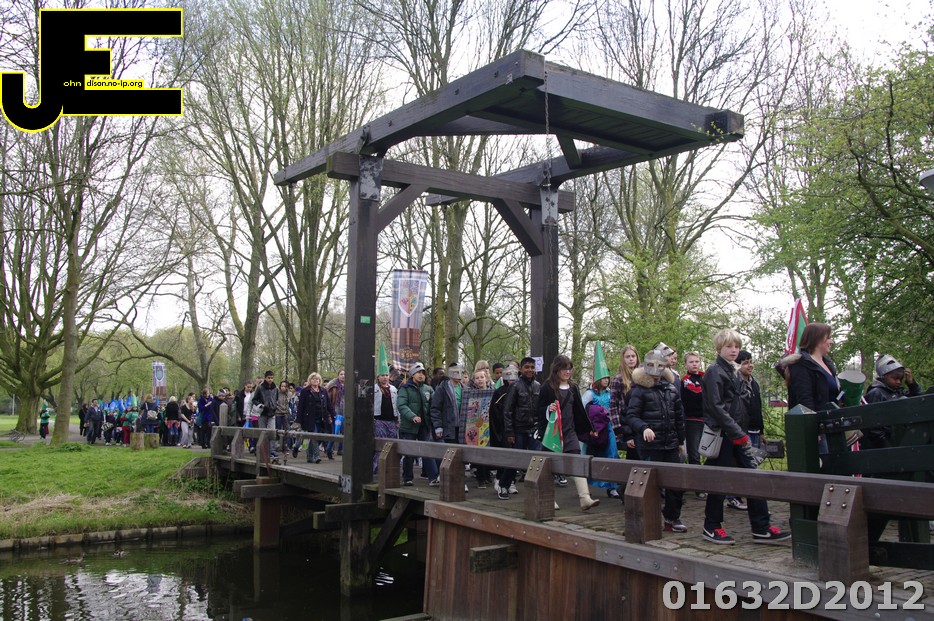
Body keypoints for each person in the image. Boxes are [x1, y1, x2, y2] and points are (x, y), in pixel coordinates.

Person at [701, 328, 790, 545]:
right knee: (719, 482)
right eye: (729, 346)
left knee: (754, 478)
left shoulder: (733, 371)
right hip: (724, 436)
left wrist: (745, 431)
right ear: (719, 348)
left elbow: (741, 405)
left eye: (737, 346)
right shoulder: (714, 371)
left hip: (738, 435)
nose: (734, 350)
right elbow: (716, 407)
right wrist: (737, 433)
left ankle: (761, 527)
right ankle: (711, 526)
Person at [626, 350, 687, 531]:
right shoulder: (639, 390)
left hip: (670, 443)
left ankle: (672, 518)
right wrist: (644, 428)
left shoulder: (671, 389)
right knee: (650, 485)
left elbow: (679, 417)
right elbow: (631, 416)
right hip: (650, 445)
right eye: (652, 364)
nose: (656, 369)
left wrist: (681, 441)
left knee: (676, 483)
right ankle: (646, 521)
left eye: (660, 365)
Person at [536, 354, 601, 511]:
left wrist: (590, 428)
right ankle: (549, 498)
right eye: (564, 369)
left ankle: (585, 498)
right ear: (556, 369)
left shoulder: (573, 387)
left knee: (576, 460)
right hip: (553, 433)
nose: (567, 372)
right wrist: (548, 409)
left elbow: (579, 410)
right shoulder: (547, 387)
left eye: (570, 369)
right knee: (550, 464)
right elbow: (538, 409)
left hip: (570, 431)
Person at [784, 322, 840, 454]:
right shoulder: (801, 364)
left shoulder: (827, 363)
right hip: (818, 427)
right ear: (818, 339)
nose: (831, 341)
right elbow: (805, 398)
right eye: (828, 337)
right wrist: (813, 428)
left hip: (832, 424)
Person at [581, 342, 622, 501]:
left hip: (609, 428)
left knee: (612, 454)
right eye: (603, 378)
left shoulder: (610, 393)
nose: (606, 380)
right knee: (589, 455)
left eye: (607, 378)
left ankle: (612, 486)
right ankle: (585, 486)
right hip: (595, 430)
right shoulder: (590, 394)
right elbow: (582, 409)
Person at [497, 357, 541, 499]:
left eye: (532, 367)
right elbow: (507, 411)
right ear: (521, 369)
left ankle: (537, 489)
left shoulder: (538, 386)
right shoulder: (515, 386)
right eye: (527, 367)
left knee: (538, 460)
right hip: (518, 429)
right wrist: (510, 432)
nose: (530, 370)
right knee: (515, 460)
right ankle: (504, 484)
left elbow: (540, 408)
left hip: (533, 429)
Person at [863, 354, 922, 448]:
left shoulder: (898, 392)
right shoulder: (876, 393)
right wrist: (888, 448)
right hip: (884, 446)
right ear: (884, 376)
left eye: (901, 379)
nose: (899, 382)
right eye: (895, 378)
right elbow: (873, 427)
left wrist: (911, 384)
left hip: (900, 442)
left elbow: (920, 403)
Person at [397, 362, 438, 486]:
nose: (421, 375)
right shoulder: (405, 389)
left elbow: (434, 406)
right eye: (418, 372)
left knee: (427, 451)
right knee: (409, 452)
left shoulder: (428, 389)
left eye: (423, 373)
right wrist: (412, 416)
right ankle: (407, 477)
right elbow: (401, 405)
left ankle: (433, 477)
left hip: (424, 426)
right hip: (409, 426)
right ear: (412, 374)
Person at [609, 344, 641, 461]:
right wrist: (619, 431)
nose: (631, 359)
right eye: (628, 357)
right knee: (634, 461)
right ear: (623, 359)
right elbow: (613, 407)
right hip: (628, 426)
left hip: (643, 424)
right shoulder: (618, 379)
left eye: (633, 356)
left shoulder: (644, 376)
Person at [295, 372, 334, 463]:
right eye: (313, 379)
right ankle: (317, 456)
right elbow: (301, 406)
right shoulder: (305, 391)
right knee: (314, 436)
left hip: (321, 418)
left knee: (315, 437)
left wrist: (334, 414)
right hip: (309, 418)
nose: (315, 380)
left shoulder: (323, 390)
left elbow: (328, 404)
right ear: (310, 380)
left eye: (317, 379)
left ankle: (309, 456)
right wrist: (298, 420)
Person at [373, 357, 400, 474]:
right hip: (379, 420)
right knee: (381, 444)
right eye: (382, 375)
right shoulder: (374, 389)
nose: (385, 377)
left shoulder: (393, 389)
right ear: (378, 377)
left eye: (386, 375)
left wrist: (398, 419)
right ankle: (377, 467)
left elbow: (397, 405)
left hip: (391, 421)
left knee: (391, 444)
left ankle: (389, 467)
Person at [681, 351, 705, 469]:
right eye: (691, 362)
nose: (694, 364)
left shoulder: (705, 377)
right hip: (692, 420)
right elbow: (697, 394)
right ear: (686, 364)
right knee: (694, 453)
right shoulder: (686, 380)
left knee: (712, 451)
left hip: (708, 420)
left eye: (696, 361)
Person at [326, 370, 345, 457]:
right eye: (341, 374)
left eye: (344, 374)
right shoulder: (332, 386)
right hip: (335, 411)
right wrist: (329, 414)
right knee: (335, 432)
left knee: (345, 432)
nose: (343, 376)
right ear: (338, 375)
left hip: (345, 411)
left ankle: (341, 449)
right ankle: (329, 449)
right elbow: (328, 400)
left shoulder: (349, 385)